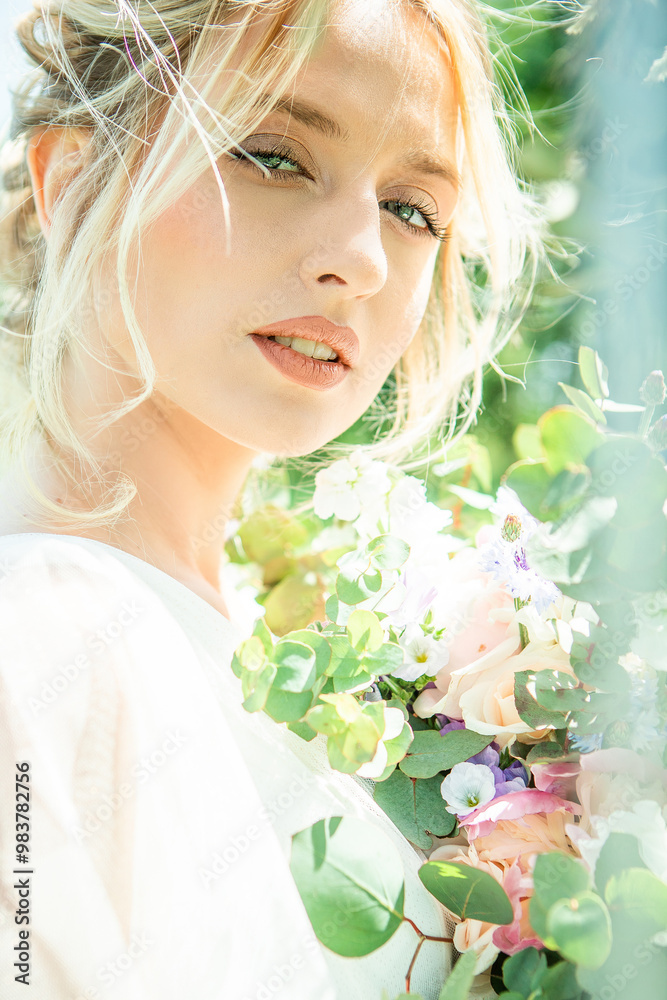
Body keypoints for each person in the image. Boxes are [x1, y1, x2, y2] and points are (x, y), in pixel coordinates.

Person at [0, 1, 548, 997]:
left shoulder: (297, 663)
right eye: (272, 156)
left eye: (412, 209)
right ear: (71, 183)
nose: (362, 260)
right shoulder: (49, 625)